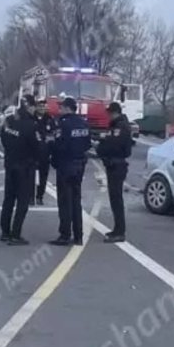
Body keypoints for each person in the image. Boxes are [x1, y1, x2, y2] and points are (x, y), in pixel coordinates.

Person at [50, 97, 92, 246]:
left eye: (61, 107)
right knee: (76, 200)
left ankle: (65, 234)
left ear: (68, 108)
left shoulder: (63, 124)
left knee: (64, 201)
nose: (59, 110)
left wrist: (53, 160)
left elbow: (58, 146)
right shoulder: (84, 123)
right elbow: (88, 144)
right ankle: (78, 235)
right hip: (79, 165)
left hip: (66, 165)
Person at [0, 94, 38, 245]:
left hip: (10, 164)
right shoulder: (31, 125)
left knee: (8, 199)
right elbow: (36, 146)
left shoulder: (9, 120)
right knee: (22, 202)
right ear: (30, 107)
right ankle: (16, 234)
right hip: (25, 167)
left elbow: (3, 138)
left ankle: (5, 231)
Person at [97, 102, 134, 242]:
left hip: (116, 165)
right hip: (113, 164)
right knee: (114, 199)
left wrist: (102, 146)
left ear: (115, 113)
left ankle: (120, 231)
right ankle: (117, 229)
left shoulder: (120, 127)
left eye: (110, 113)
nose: (109, 116)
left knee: (116, 199)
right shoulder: (116, 125)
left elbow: (112, 145)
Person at [34, 99, 57, 206]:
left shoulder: (49, 119)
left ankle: (40, 196)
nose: (42, 108)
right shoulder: (32, 118)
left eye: (43, 106)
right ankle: (30, 196)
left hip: (45, 154)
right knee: (30, 177)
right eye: (40, 106)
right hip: (33, 153)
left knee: (43, 177)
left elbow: (54, 134)